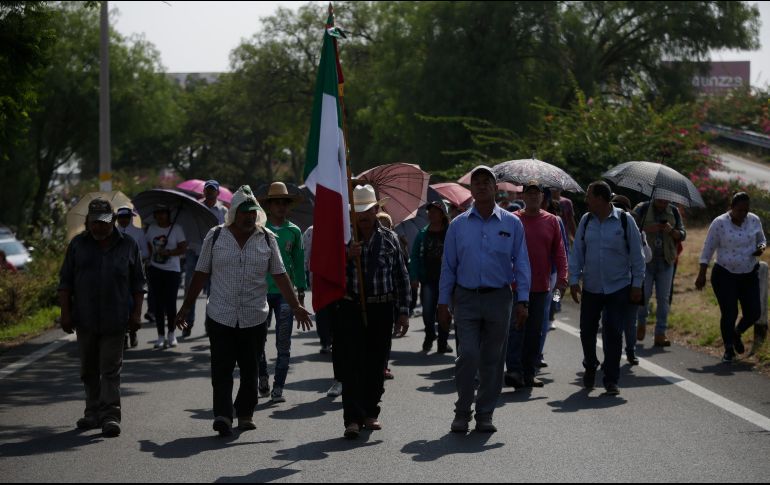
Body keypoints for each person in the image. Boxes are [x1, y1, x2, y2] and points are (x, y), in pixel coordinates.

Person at [175, 185, 312, 436]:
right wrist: (185, 307)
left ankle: (246, 413)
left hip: (254, 316)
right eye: (244, 212)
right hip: (220, 315)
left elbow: (280, 275)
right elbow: (200, 272)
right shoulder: (215, 236)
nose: (249, 217)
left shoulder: (268, 238)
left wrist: (296, 306)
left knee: (251, 368)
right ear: (234, 213)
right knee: (222, 368)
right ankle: (223, 415)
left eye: (253, 212)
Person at [438, 165, 531, 434]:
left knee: (492, 359)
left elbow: (522, 263)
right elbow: (448, 267)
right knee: (467, 355)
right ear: (471, 189)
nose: (480, 186)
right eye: (476, 182)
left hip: (499, 298)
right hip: (466, 298)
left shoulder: (512, 223)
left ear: (495, 187)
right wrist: (443, 303)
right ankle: (462, 411)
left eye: (486, 182)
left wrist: (523, 300)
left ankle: (485, 413)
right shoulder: (458, 225)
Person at [58, 199, 146, 438]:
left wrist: (136, 313)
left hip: (115, 319)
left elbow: (138, 284)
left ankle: (110, 416)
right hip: (84, 319)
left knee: (110, 368)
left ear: (113, 221)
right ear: (88, 222)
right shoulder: (78, 245)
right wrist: (65, 313)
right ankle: (92, 412)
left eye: (103, 223)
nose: (98, 228)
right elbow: (65, 283)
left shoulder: (128, 245)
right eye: (94, 223)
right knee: (88, 369)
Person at [329, 184, 411, 439]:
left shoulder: (390, 238)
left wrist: (403, 311)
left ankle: (370, 412)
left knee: (377, 364)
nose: (363, 215)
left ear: (377, 209)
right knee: (352, 364)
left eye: (367, 210)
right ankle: (352, 418)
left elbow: (401, 276)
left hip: (382, 307)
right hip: (351, 307)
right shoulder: (344, 239)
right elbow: (325, 273)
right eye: (358, 211)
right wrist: (345, 256)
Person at [569, 181, 645, 396]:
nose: (586, 201)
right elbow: (578, 253)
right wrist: (574, 280)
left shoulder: (624, 220)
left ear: (600, 199)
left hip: (618, 286)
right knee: (587, 330)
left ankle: (611, 379)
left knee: (613, 331)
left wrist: (637, 285)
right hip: (591, 286)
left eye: (589, 196)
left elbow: (636, 255)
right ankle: (590, 364)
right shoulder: (586, 220)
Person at [505, 181, 567, 389]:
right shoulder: (513, 220)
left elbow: (559, 252)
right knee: (516, 328)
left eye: (536, 193)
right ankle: (514, 370)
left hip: (541, 286)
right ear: (522, 196)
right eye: (529, 193)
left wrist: (562, 278)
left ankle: (529, 372)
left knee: (534, 331)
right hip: (514, 285)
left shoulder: (552, 221)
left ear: (543, 197)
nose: (533, 196)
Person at [253, 182, 308, 403]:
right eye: (276, 203)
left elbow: (298, 263)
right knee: (257, 340)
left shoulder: (294, 231)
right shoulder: (258, 231)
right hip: (260, 293)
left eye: (285, 203)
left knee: (283, 343)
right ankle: (263, 377)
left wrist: (301, 293)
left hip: (286, 295)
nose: (281, 207)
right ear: (268, 206)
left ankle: (278, 388)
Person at [696, 192, 766, 363]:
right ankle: (728, 349)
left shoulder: (754, 220)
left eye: (746, 210)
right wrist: (702, 273)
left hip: (749, 273)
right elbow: (708, 248)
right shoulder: (719, 223)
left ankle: (737, 332)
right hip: (725, 274)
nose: (743, 214)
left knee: (754, 311)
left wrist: (761, 248)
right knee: (730, 312)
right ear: (731, 208)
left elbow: (762, 240)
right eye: (740, 210)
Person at [633, 198, 686, 347]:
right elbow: (630, 228)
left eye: (666, 200)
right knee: (644, 296)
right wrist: (647, 229)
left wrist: (672, 231)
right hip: (645, 262)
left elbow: (683, 234)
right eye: (660, 199)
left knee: (664, 299)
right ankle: (641, 322)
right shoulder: (642, 208)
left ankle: (660, 333)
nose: (663, 202)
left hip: (666, 261)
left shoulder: (674, 211)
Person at [183, 180, 228, 337]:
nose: (209, 192)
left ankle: (210, 324)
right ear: (203, 192)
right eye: (207, 190)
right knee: (191, 289)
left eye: (212, 190)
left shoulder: (222, 211)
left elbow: (225, 233)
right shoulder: (195, 208)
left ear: (217, 193)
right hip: (194, 252)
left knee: (213, 292)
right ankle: (188, 322)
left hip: (214, 255)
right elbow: (187, 229)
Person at [410, 200, 452, 354]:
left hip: (447, 280)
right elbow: (414, 256)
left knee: (445, 311)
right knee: (427, 311)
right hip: (427, 279)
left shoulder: (450, 231)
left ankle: (443, 341)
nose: (431, 214)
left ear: (442, 214)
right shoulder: (422, 234)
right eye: (429, 211)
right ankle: (430, 334)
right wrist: (413, 276)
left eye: (434, 211)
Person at [146, 204, 187, 349]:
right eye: (157, 213)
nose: (160, 216)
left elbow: (183, 247)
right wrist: (152, 256)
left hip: (172, 270)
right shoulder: (151, 228)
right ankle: (160, 336)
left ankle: (171, 333)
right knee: (157, 304)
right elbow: (149, 245)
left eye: (163, 213)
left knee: (170, 303)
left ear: (168, 214)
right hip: (155, 269)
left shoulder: (176, 228)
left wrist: (168, 253)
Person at [115, 206, 149, 349]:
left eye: (126, 217)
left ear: (130, 218)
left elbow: (146, 253)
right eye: (121, 217)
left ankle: (132, 330)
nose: (123, 220)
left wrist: (134, 257)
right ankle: (123, 335)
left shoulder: (138, 233)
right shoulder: (111, 233)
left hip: (133, 274)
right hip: (116, 276)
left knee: (131, 304)